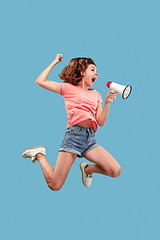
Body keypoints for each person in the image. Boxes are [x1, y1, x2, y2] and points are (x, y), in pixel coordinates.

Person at [22, 54, 121, 191]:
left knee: (115, 170)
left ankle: (87, 170)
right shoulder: (68, 88)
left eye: (97, 71)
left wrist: (108, 103)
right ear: (82, 72)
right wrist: (54, 62)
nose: (96, 73)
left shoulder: (96, 94)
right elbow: (40, 81)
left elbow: (101, 122)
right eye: (92, 70)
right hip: (74, 136)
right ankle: (39, 155)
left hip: (90, 139)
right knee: (55, 185)